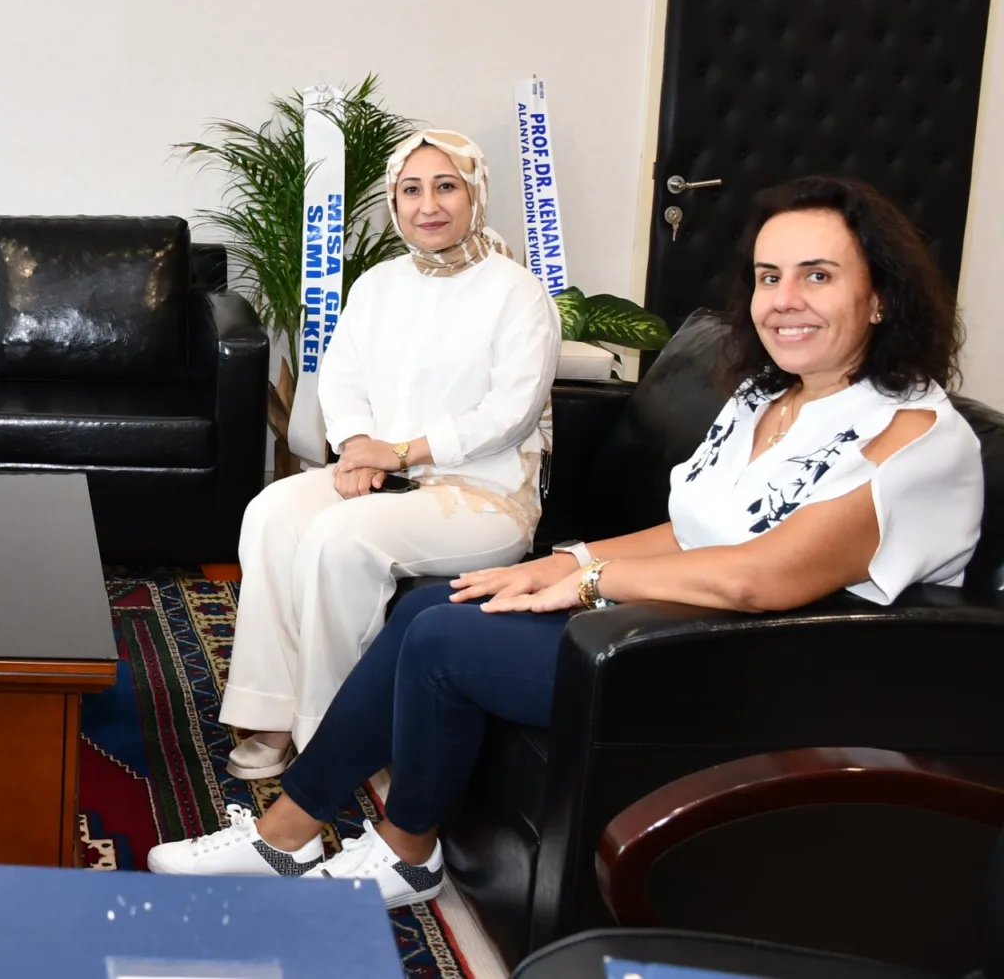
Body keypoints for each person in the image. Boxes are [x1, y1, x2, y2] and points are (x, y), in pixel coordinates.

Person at [150, 176, 983, 907]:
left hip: (752, 672)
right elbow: (694, 531)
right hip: (675, 625)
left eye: (818, 275)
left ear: (880, 296)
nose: (785, 298)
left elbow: (761, 577)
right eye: (770, 275)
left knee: (442, 639)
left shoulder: (915, 437)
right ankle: (325, 839)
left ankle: (356, 844)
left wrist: (589, 583)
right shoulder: (768, 398)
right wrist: (571, 558)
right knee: (435, 607)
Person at [222, 129, 560, 780]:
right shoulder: (378, 284)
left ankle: (336, 736)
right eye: (411, 190)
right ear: (394, 201)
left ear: (475, 193)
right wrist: (357, 447)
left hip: (480, 496)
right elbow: (342, 377)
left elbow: (509, 414)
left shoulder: (517, 292)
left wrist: (397, 453)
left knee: (340, 538)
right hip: (381, 475)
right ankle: (272, 711)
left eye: (446, 186)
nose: (428, 205)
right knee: (270, 513)